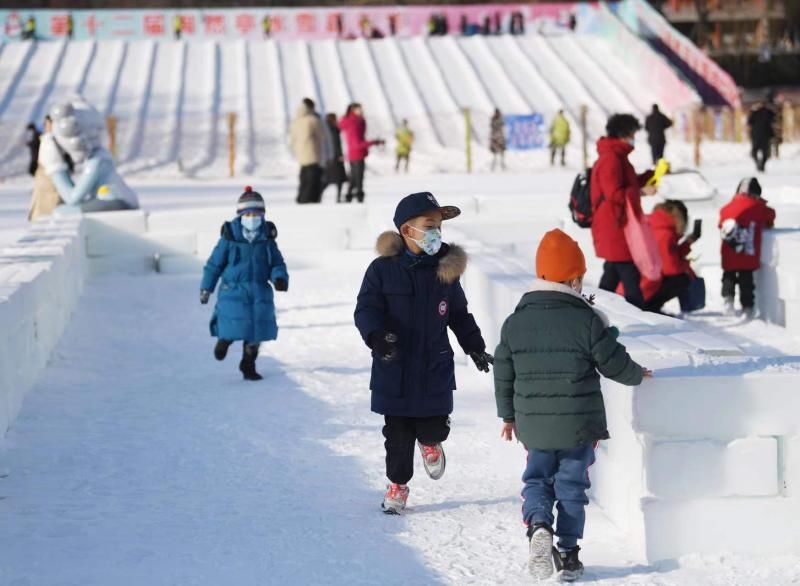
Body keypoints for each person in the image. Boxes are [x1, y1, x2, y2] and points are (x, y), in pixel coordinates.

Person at [494, 228, 649, 582]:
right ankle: (568, 552)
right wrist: (639, 375)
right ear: (575, 278)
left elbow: (503, 372)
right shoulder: (586, 320)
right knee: (572, 486)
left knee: (537, 479)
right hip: (578, 427)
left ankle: (538, 526)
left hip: (533, 424)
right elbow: (613, 363)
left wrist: (508, 415)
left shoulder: (515, 322)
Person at [354, 192, 493, 515]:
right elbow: (366, 309)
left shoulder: (445, 271)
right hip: (395, 366)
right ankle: (397, 486)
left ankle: (430, 442)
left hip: (434, 366)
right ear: (407, 230)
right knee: (397, 435)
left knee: (434, 427)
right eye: (430, 226)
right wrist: (376, 337)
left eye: (440, 227)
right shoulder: (382, 270)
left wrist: (474, 346)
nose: (437, 234)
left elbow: (458, 313)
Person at [200, 186, 289, 381]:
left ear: (262, 215)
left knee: (256, 330)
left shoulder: (267, 239)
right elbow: (214, 264)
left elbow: (276, 263)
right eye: (248, 213)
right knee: (232, 322)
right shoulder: (229, 238)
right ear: (240, 215)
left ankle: (248, 364)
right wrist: (206, 287)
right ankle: (224, 340)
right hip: (233, 291)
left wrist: (279, 277)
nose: (252, 217)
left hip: (259, 291)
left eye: (256, 213)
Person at [590, 113, 656, 309]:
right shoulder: (611, 158)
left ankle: (595, 308)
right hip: (614, 226)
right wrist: (642, 191)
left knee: (612, 273)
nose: (633, 138)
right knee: (628, 272)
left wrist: (651, 175)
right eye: (632, 134)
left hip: (616, 224)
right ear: (623, 133)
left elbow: (627, 183)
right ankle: (639, 313)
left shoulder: (617, 156)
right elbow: (615, 193)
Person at [47, 100, 139, 213]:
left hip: (116, 201)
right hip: (113, 199)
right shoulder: (97, 157)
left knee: (62, 211)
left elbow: (72, 198)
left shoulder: (96, 162)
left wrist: (55, 167)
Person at [719, 177, 775, 318]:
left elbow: (721, 223)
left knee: (728, 276)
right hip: (747, 252)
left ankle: (728, 300)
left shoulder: (727, 208)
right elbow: (771, 215)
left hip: (729, 251)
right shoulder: (758, 207)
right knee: (746, 280)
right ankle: (747, 306)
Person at [641, 200, 698, 313]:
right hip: (644, 289)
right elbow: (671, 269)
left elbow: (671, 254)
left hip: (639, 284)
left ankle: (651, 306)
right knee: (681, 279)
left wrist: (687, 243)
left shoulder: (657, 226)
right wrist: (686, 266)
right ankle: (651, 307)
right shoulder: (665, 235)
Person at [339, 103, 383, 203]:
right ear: (353, 110)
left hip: (354, 154)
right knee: (358, 179)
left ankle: (349, 197)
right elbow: (357, 143)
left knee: (354, 178)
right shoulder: (354, 123)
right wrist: (374, 142)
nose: (361, 110)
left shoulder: (357, 122)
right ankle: (358, 199)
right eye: (359, 109)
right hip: (357, 154)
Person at [290, 98, 325, 205]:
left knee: (304, 179)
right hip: (312, 154)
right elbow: (322, 136)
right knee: (313, 179)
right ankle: (310, 200)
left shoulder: (295, 121)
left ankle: (301, 198)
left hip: (301, 155)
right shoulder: (313, 119)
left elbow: (292, 140)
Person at [28, 116, 64, 222]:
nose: (46, 126)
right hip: (44, 181)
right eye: (46, 124)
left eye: (49, 124)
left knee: (49, 216)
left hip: (51, 183)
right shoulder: (46, 139)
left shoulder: (51, 140)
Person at [323, 113, 347, 203]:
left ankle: (338, 197)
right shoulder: (333, 130)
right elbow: (335, 144)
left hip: (331, 157)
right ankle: (338, 197)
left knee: (330, 180)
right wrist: (339, 155)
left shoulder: (327, 129)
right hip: (335, 157)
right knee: (338, 179)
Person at [748, 102, 776, 172]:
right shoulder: (767, 112)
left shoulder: (757, 112)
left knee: (758, 152)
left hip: (759, 135)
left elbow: (749, 122)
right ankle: (760, 164)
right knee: (763, 153)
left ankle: (760, 164)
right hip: (762, 135)